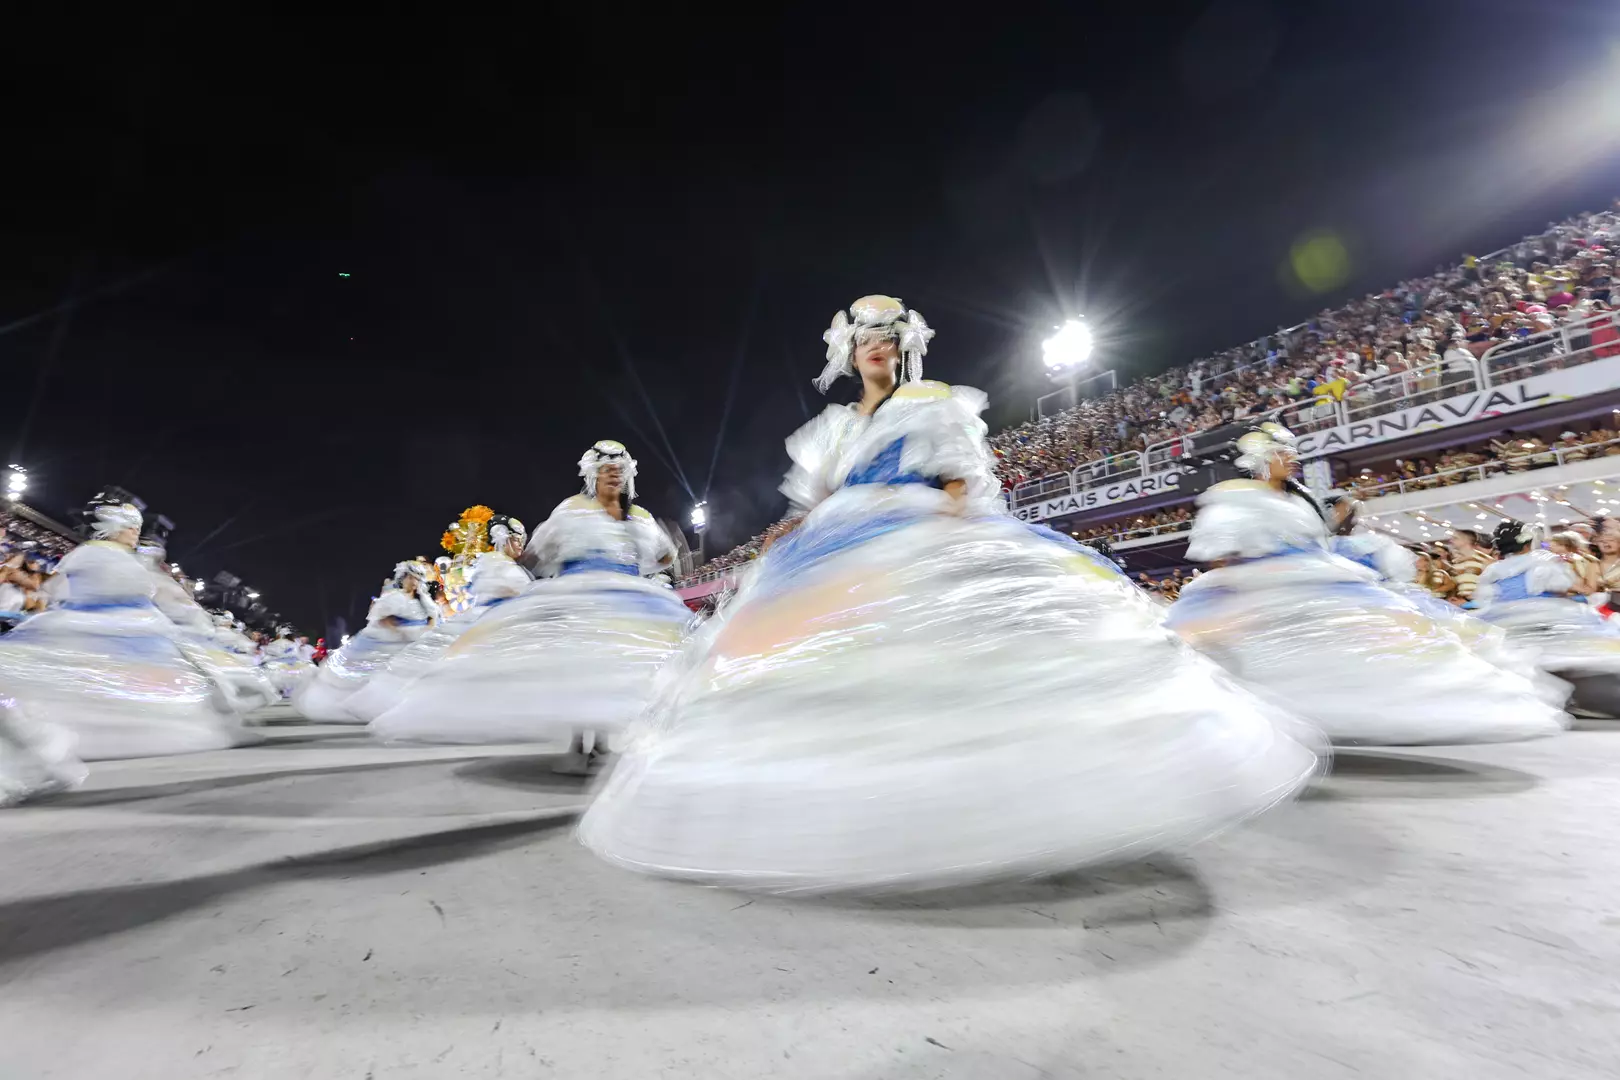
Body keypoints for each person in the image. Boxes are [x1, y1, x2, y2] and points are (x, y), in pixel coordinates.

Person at [579, 294, 1318, 894]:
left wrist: (954, 543)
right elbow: (814, 505)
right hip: (837, 546)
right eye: (866, 335)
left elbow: (960, 482)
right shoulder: (832, 430)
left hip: (914, 534)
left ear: (903, 345)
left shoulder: (930, 401)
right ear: (848, 350)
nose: (878, 344)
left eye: (889, 335)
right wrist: (781, 550)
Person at [1167, 424, 1566, 745]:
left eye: (1292, 453)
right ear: (1261, 460)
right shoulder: (1236, 497)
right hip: (1263, 584)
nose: (1292, 460)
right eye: (1283, 454)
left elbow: (1315, 546)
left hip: (1316, 578)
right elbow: (1221, 553)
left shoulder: (1297, 500)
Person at [369, 446, 689, 769]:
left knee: (618, 671)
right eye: (606, 471)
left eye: (618, 471)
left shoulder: (640, 518)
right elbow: (537, 553)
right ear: (593, 475)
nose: (613, 477)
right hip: (585, 599)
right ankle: (582, 743)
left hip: (627, 601)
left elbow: (663, 555)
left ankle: (603, 742)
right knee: (583, 671)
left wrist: (660, 554)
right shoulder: (572, 510)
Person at [0, 500, 254, 761]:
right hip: (110, 625)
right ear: (115, 528)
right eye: (131, 529)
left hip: (138, 626)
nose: (135, 535)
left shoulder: (110, 557)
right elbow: (61, 589)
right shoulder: (95, 554)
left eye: (136, 529)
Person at [354, 513, 533, 726]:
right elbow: (497, 590)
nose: (521, 545)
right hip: (492, 623)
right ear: (502, 538)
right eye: (516, 539)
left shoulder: (509, 565)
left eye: (522, 540)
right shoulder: (492, 562)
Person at [1472, 521, 1620, 716]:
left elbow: (1483, 599)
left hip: (1504, 620)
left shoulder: (1492, 570)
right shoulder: (1542, 562)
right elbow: (1561, 585)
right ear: (1528, 542)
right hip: (1546, 615)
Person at [294, 561, 439, 721]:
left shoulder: (424, 600)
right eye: (411, 578)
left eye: (417, 579)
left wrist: (426, 631)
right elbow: (383, 619)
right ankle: (363, 706)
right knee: (384, 675)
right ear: (403, 578)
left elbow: (433, 618)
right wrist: (399, 632)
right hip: (393, 641)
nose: (414, 582)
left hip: (417, 641)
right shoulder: (394, 598)